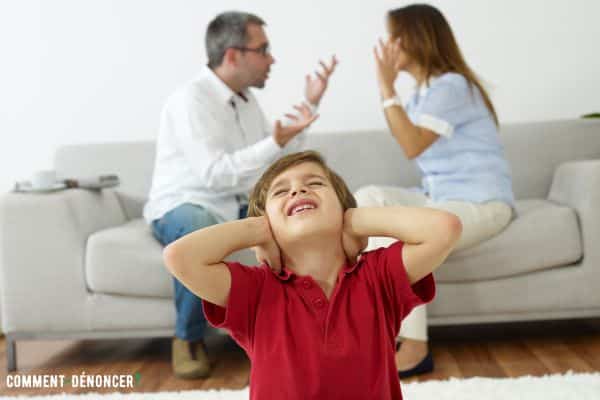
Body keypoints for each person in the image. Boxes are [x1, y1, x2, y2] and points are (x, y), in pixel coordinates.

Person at [162, 150, 462, 399]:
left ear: (342, 211)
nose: (297, 190)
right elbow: (180, 257)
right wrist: (256, 230)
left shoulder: (378, 276)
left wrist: (356, 219)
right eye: (281, 191)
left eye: (315, 183)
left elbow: (445, 228)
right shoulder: (255, 290)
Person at [143, 11, 338, 379]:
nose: (272, 59)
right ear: (233, 56)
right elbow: (214, 173)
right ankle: (187, 339)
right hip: (185, 204)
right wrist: (274, 141)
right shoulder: (191, 101)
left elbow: (270, 160)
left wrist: (309, 106)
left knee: (295, 222)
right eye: (263, 49)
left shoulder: (246, 100)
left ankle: (294, 336)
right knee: (199, 226)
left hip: (233, 203)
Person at [354, 4, 516, 378]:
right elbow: (409, 140)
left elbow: (411, 145)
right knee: (368, 199)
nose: (389, 46)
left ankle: (412, 347)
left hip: (482, 202)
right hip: (440, 198)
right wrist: (392, 93)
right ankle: (380, 333)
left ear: (418, 38)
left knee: (408, 238)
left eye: (395, 36)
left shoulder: (452, 86)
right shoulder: (422, 95)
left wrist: (385, 86)